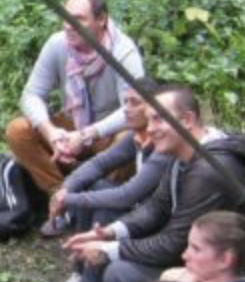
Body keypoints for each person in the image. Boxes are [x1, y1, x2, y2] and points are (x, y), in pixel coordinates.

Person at [43, 83, 245, 282]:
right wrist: (109, 233)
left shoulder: (208, 169)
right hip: (200, 255)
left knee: (121, 274)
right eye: (150, 120)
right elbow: (156, 208)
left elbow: (173, 243)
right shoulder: (184, 152)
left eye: (158, 120)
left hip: (236, 276)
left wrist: (108, 249)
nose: (151, 129)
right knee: (103, 199)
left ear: (187, 120)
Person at [3, 0, 145, 196]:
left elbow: (133, 109)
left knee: (130, 137)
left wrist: (87, 135)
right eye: (65, 17)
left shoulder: (123, 51)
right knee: (18, 130)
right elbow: (31, 94)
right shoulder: (57, 44)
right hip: (72, 125)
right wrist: (51, 133)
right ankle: (61, 196)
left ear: (101, 19)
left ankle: (101, 197)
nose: (68, 26)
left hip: (107, 132)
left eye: (78, 19)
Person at [43, 84, 165, 237]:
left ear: (154, 108)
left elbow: (126, 196)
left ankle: (93, 251)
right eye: (126, 102)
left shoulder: (164, 147)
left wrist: (68, 199)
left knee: (108, 206)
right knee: (90, 183)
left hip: (155, 220)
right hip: (139, 208)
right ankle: (83, 240)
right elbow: (99, 163)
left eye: (134, 102)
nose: (126, 109)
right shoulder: (136, 136)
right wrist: (65, 190)